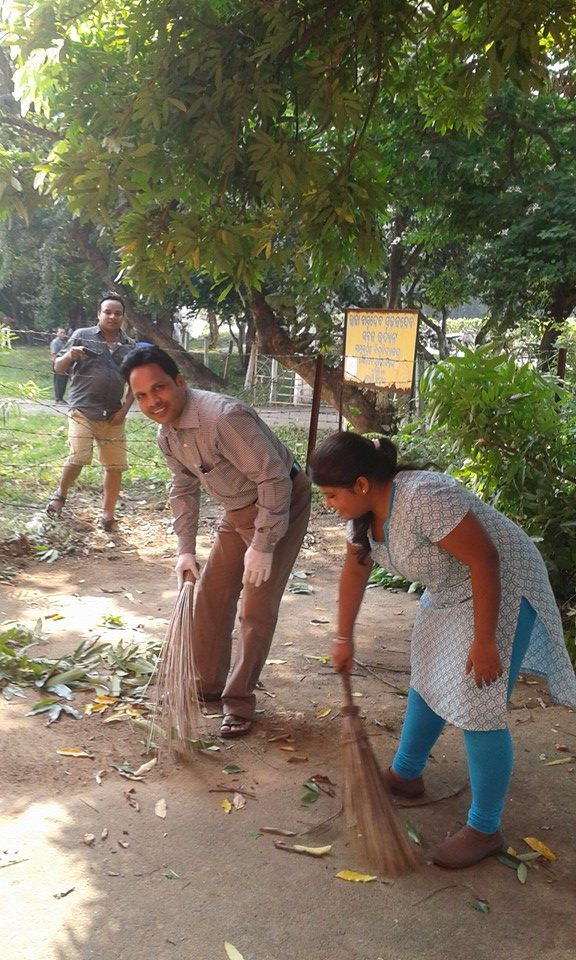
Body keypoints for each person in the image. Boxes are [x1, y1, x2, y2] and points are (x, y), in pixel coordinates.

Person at [308, 431, 576, 870]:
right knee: (429, 673)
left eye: (331, 495)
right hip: (452, 585)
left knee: (477, 700)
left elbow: (485, 560)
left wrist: (485, 641)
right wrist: (343, 636)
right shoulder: (362, 515)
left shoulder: (422, 497)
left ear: (360, 485)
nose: (327, 504)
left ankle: (485, 827)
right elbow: (354, 574)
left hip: (501, 583)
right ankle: (405, 774)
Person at [121, 344, 311, 738]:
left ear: (179, 381)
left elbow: (273, 478)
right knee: (210, 596)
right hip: (238, 508)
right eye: (141, 395)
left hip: (282, 503)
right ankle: (207, 685)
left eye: (159, 389)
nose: (153, 402)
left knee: (255, 608)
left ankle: (238, 702)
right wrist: (185, 550)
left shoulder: (223, 418)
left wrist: (262, 544)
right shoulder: (167, 436)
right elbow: (183, 488)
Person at [46, 294, 135, 531]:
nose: (112, 316)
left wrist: (124, 411)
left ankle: (107, 515)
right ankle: (60, 495)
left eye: (117, 313)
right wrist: (69, 355)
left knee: (115, 466)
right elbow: (58, 367)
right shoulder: (81, 335)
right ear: (99, 314)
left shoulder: (130, 346)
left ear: (123, 317)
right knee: (79, 457)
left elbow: (135, 384)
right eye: (107, 312)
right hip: (82, 409)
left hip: (113, 415)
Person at [49, 327, 69, 403]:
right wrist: (55, 366)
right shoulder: (55, 342)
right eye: (61, 332)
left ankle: (61, 397)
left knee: (64, 381)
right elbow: (53, 354)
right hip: (58, 364)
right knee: (58, 381)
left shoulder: (64, 342)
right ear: (57, 333)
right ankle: (58, 398)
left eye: (64, 333)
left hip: (65, 364)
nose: (63, 334)